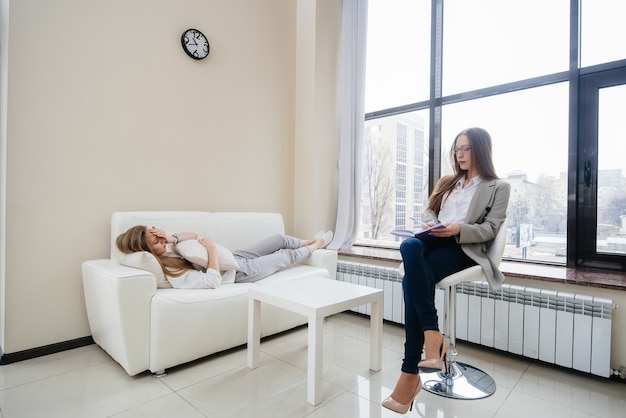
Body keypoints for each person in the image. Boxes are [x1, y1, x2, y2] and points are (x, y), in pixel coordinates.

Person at [382, 127, 510, 414]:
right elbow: (430, 210)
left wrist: (458, 229)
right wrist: (431, 223)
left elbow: (490, 229)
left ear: (480, 150)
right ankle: (431, 336)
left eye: (465, 149)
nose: (459, 154)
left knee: (411, 279)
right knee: (410, 246)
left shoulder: (498, 187)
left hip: (461, 249)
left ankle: (410, 371)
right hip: (433, 241)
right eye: (456, 149)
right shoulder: (448, 182)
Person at [116, 225, 333, 288]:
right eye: (156, 242)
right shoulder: (172, 271)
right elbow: (211, 281)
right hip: (238, 273)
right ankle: (316, 246)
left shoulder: (169, 247)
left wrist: (170, 238)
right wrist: (210, 249)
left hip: (234, 255)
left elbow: (193, 235)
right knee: (283, 255)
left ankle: (307, 241)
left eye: (158, 236)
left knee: (277, 238)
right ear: (147, 252)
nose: (161, 242)